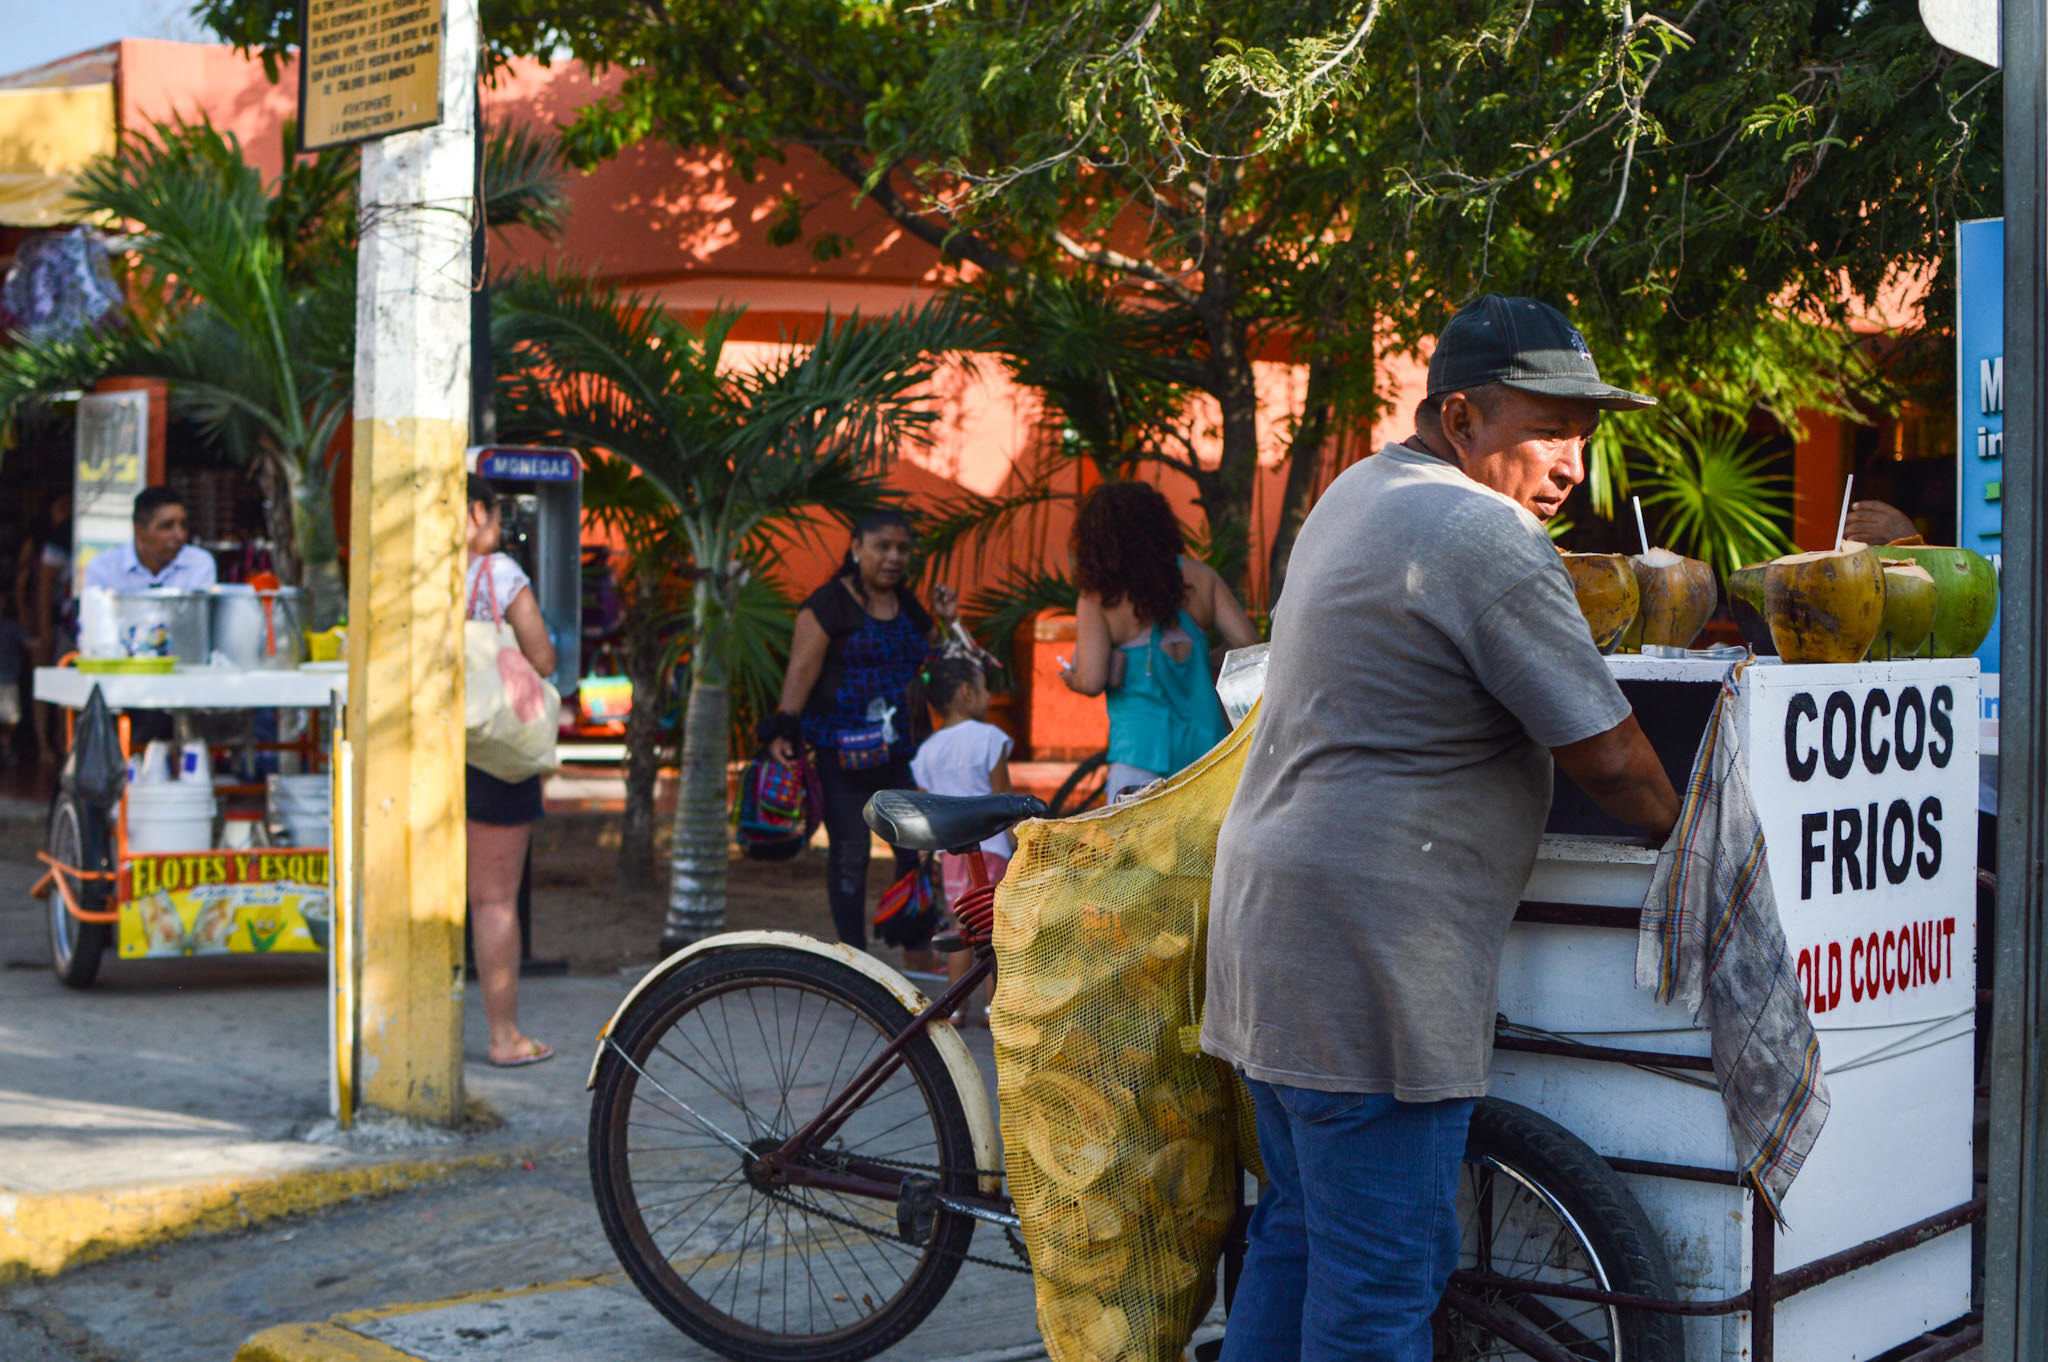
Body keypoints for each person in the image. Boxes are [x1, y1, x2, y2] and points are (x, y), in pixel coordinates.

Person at [1202, 294, 1681, 1362]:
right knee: (1378, 1290)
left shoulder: (1358, 491)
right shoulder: (1481, 532)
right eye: (1546, 430)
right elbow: (1608, 755)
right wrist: (1689, 835)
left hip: (1273, 942)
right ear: (1461, 419)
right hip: (1366, 968)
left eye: (1584, 437)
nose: (1570, 466)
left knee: (1295, 1238)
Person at [762, 509, 959, 967]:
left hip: (904, 754)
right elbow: (801, 671)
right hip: (841, 756)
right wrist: (783, 730)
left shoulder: (908, 605)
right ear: (856, 549)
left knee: (916, 854)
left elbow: (941, 660)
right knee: (850, 855)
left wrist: (946, 619)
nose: (893, 557)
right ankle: (857, 964)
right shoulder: (827, 605)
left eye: (902, 549)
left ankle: (914, 954)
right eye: (882, 547)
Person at [1058, 481, 1260, 798]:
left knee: (1134, 848)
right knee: (1207, 847)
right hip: (1208, 751)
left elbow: (1092, 679)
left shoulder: (1099, 597)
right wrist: (1205, 660)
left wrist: (1071, 678)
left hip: (1139, 755)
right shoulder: (1201, 578)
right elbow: (1249, 647)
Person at [463, 478, 557, 1067]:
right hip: (495, 755)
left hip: (427, 749)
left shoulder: (409, 572)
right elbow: (542, 655)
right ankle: (505, 1038)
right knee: (494, 900)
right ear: (477, 512)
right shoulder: (497, 574)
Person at [909, 649, 1013, 1023]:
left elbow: (927, 810)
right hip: (992, 850)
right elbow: (1004, 800)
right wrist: (1021, 843)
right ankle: (993, 1007)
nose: (989, 698)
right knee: (996, 928)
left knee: (962, 924)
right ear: (967, 692)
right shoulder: (990, 738)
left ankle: (955, 1008)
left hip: (952, 853)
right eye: (985, 689)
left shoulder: (926, 751)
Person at [15, 493, 72, 764]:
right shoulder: (42, 543)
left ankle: (60, 740)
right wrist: (36, 625)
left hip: (60, 622)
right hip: (41, 622)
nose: (66, 510)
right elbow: (28, 586)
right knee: (43, 682)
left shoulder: (68, 537)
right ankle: (43, 745)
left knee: (59, 683)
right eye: (61, 505)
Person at [80, 485, 217, 592]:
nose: (180, 535)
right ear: (139, 531)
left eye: (184, 525)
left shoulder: (199, 563)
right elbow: (95, 624)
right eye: (167, 526)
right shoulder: (103, 568)